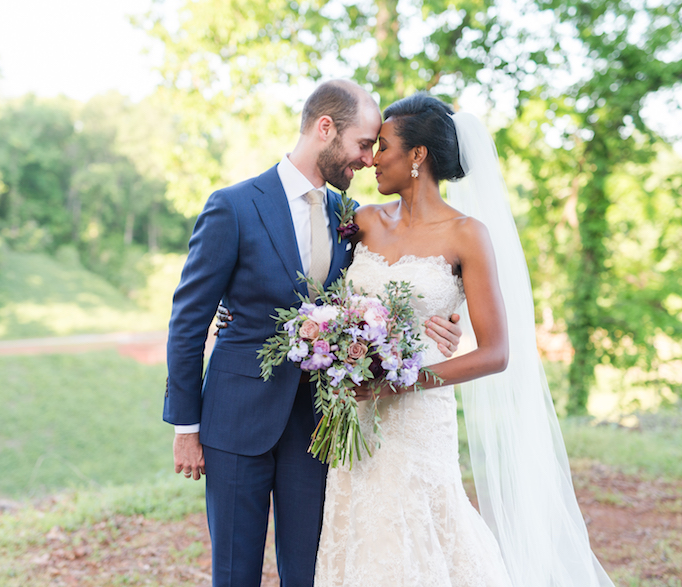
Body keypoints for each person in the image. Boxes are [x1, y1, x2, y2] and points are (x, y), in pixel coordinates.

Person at [163, 80, 462, 587]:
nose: (368, 160)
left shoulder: (350, 218)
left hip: (318, 427)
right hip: (235, 420)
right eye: (364, 144)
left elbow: (386, 290)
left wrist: (443, 321)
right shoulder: (233, 206)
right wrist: (185, 427)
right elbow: (188, 320)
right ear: (326, 128)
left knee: (310, 573)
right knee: (235, 574)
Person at [313, 93, 614, 587]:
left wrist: (401, 383)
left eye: (382, 146)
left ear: (417, 156)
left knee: (424, 535)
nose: (370, 159)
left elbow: (496, 352)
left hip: (417, 415)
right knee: (358, 534)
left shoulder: (467, 235)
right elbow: (329, 302)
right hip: (358, 415)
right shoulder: (362, 222)